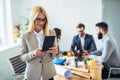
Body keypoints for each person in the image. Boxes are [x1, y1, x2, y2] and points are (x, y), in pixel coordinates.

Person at [20, 6, 58, 80]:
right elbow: (22, 57)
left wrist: (55, 52)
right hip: (32, 74)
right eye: (38, 19)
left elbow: (53, 55)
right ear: (33, 19)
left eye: (44, 20)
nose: (41, 23)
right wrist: (33, 53)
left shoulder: (51, 32)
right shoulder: (25, 36)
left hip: (48, 73)